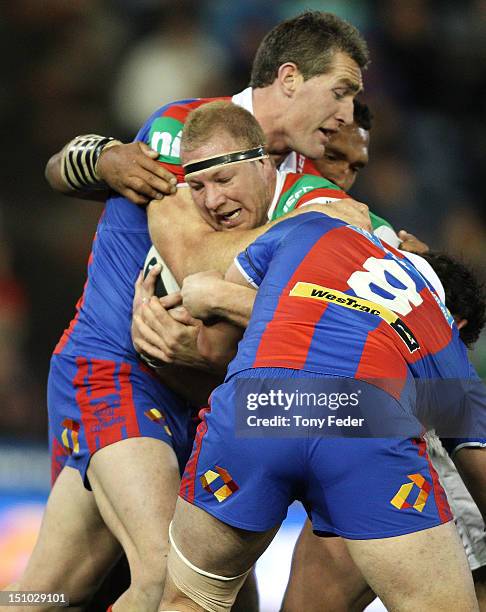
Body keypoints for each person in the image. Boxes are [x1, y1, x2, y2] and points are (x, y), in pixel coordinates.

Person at [13, 12, 370, 612]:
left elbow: (341, 267)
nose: (346, 114)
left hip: (202, 401)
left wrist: (386, 247)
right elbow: (197, 260)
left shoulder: (303, 178)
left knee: (50, 592)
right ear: (288, 79)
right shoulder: (182, 129)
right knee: (165, 581)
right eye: (340, 92)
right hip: (115, 372)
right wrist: (100, 160)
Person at [155, 103, 485, 611]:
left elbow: (216, 335)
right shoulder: (435, 324)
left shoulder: (308, 227)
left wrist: (204, 297)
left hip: (256, 409)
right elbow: (475, 458)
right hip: (363, 421)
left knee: (190, 598)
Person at [280, 103, 486, 612]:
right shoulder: (318, 224)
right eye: (335, 158)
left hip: (337, 422)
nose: (345, 177)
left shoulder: (366, 235)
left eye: (355, 166)